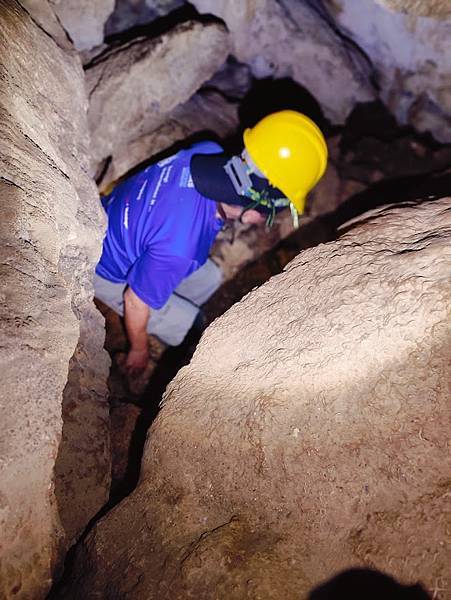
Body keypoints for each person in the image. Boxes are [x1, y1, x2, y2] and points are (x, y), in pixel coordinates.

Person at [94, 110, 328, 374]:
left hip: (113, 219)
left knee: (211, 278)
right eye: (269, 215)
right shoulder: (181, 248)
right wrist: (139, 350)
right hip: (106, 268)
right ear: (252, 210)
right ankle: (164, 333)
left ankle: (161, 289)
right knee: (193, 327)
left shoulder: (207, 151)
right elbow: (134, 300)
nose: (266, 222)